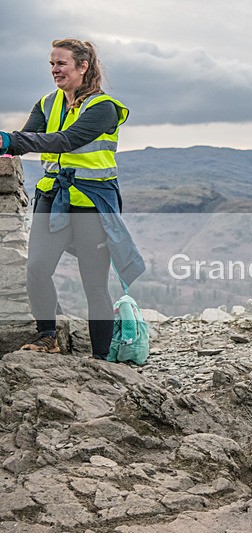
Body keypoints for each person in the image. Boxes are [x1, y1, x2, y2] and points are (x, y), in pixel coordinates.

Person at [0, 38, 145, 359]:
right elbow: (27, 139)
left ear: (83, 67)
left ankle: (101, 358)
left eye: (61, 63)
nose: (54, 70)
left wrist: (10, 139)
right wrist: (6, 143)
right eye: (51, 63)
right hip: (52, 199)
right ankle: (47, 336)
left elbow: (66, 140)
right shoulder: (47, 103)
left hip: (92, 203)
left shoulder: (104, 108)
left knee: (94, 283)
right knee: (37, 269)